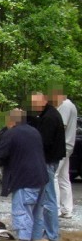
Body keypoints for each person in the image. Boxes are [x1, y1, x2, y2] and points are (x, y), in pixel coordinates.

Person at [0, 109, 48, 241]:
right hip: (41, 176)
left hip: (25, 178)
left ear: (11, 120)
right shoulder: (34, 131)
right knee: (36, 212)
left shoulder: (11, 133)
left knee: (22, 211)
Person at [28, 91, 66, 241]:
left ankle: (51, 234)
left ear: (43, 101)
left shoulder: (50, 117)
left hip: (49, 161)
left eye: (36, 103)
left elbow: (45, 142)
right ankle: (46, 232)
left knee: (48, 198)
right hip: (49, 160)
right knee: (44, 197)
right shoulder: (46, 115)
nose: (34, 106)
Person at [50, 88, 77, 219]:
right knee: (64, 177)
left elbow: (62, 125)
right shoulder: (71, 105)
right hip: (68, 145)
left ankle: (56, 209)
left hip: (63, 145)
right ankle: (67, 209)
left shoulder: (65, 106)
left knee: (53, 175)